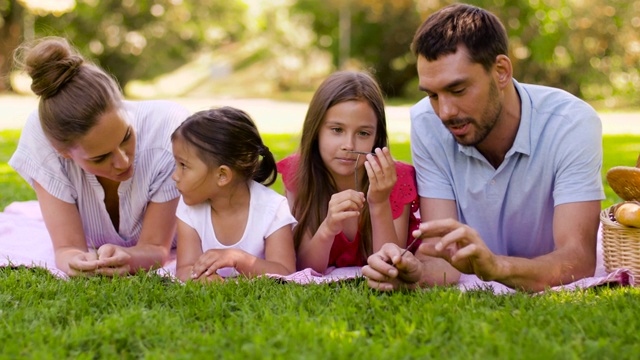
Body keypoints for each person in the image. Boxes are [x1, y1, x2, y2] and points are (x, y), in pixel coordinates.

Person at [362, 4, 604, 292]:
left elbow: (578, 260)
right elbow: (441, 254)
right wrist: (413, 272)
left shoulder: (571, 123)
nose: (445, 112)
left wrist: (495, 266)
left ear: (501, 71)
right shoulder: (427, 122)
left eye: (458, 90)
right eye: (432, 95)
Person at [8, 37, 190, 277]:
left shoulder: (168, 130)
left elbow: (156, 249)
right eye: (100, 157)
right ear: (63, 152)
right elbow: (67, 248)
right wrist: (78, 262)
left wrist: (130, 259)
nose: (123, 161)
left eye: (126, 136)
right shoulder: (42, 137)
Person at [277, 71, 420, 273]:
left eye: (363, 133)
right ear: (316, 129)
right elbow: (304, 269)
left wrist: (379, 202)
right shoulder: (299, 173)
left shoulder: (396, 178)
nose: (349, 145)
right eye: (337, 130)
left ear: (377, 136)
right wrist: (328, 228)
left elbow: (389, 266)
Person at [172, 107, 297, 282]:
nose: (175, 175)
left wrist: (238, 258)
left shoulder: (273, 208)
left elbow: (285, 271)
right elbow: (185, 268)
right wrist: (203, 279)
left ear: (222, 175)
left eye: (183, 165)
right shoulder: (189, 207)